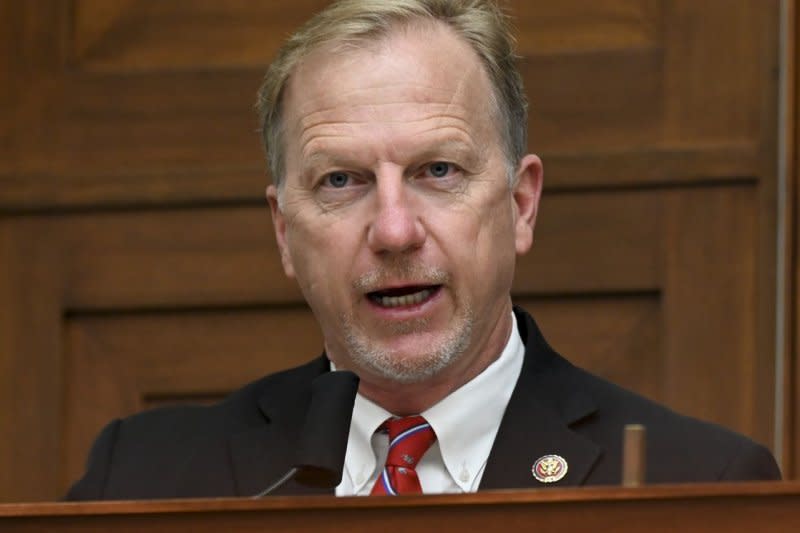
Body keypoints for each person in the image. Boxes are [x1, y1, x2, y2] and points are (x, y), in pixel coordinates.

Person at [66, 0, 780, 500]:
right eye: (341, 180)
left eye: (438, 171)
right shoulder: (140, 476)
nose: (395, 230)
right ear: (285, 231)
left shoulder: (698, 482)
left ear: (520, 204)